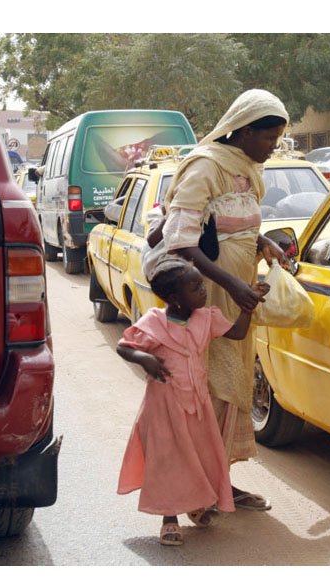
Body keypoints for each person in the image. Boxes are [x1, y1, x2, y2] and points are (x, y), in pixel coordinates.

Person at [159, 89, 290, 511]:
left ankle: (219, 482)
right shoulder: (206, 167)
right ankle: (194, 488)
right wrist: (231, 284)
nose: (273, 147)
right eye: (268, 138)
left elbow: (232, 225)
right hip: (209, 297)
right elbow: (180, 240)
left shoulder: (247, 170)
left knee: (232, 387)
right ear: (245, 131)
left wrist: (262, 242)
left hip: (238, 296)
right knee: (207, 388)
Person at [116, 256, 270, 546]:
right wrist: (145, 358)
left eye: (201, 285)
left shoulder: (206, 318)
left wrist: (248, 307)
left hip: (197, 406)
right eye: (196, 287)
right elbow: (124, 347)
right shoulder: (154, 322)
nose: (203, 291)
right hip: (164, 409)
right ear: (175, 299)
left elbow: (237, 333)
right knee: (169, 461)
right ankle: (169, 518)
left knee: (199, 457)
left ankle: (195, 504)